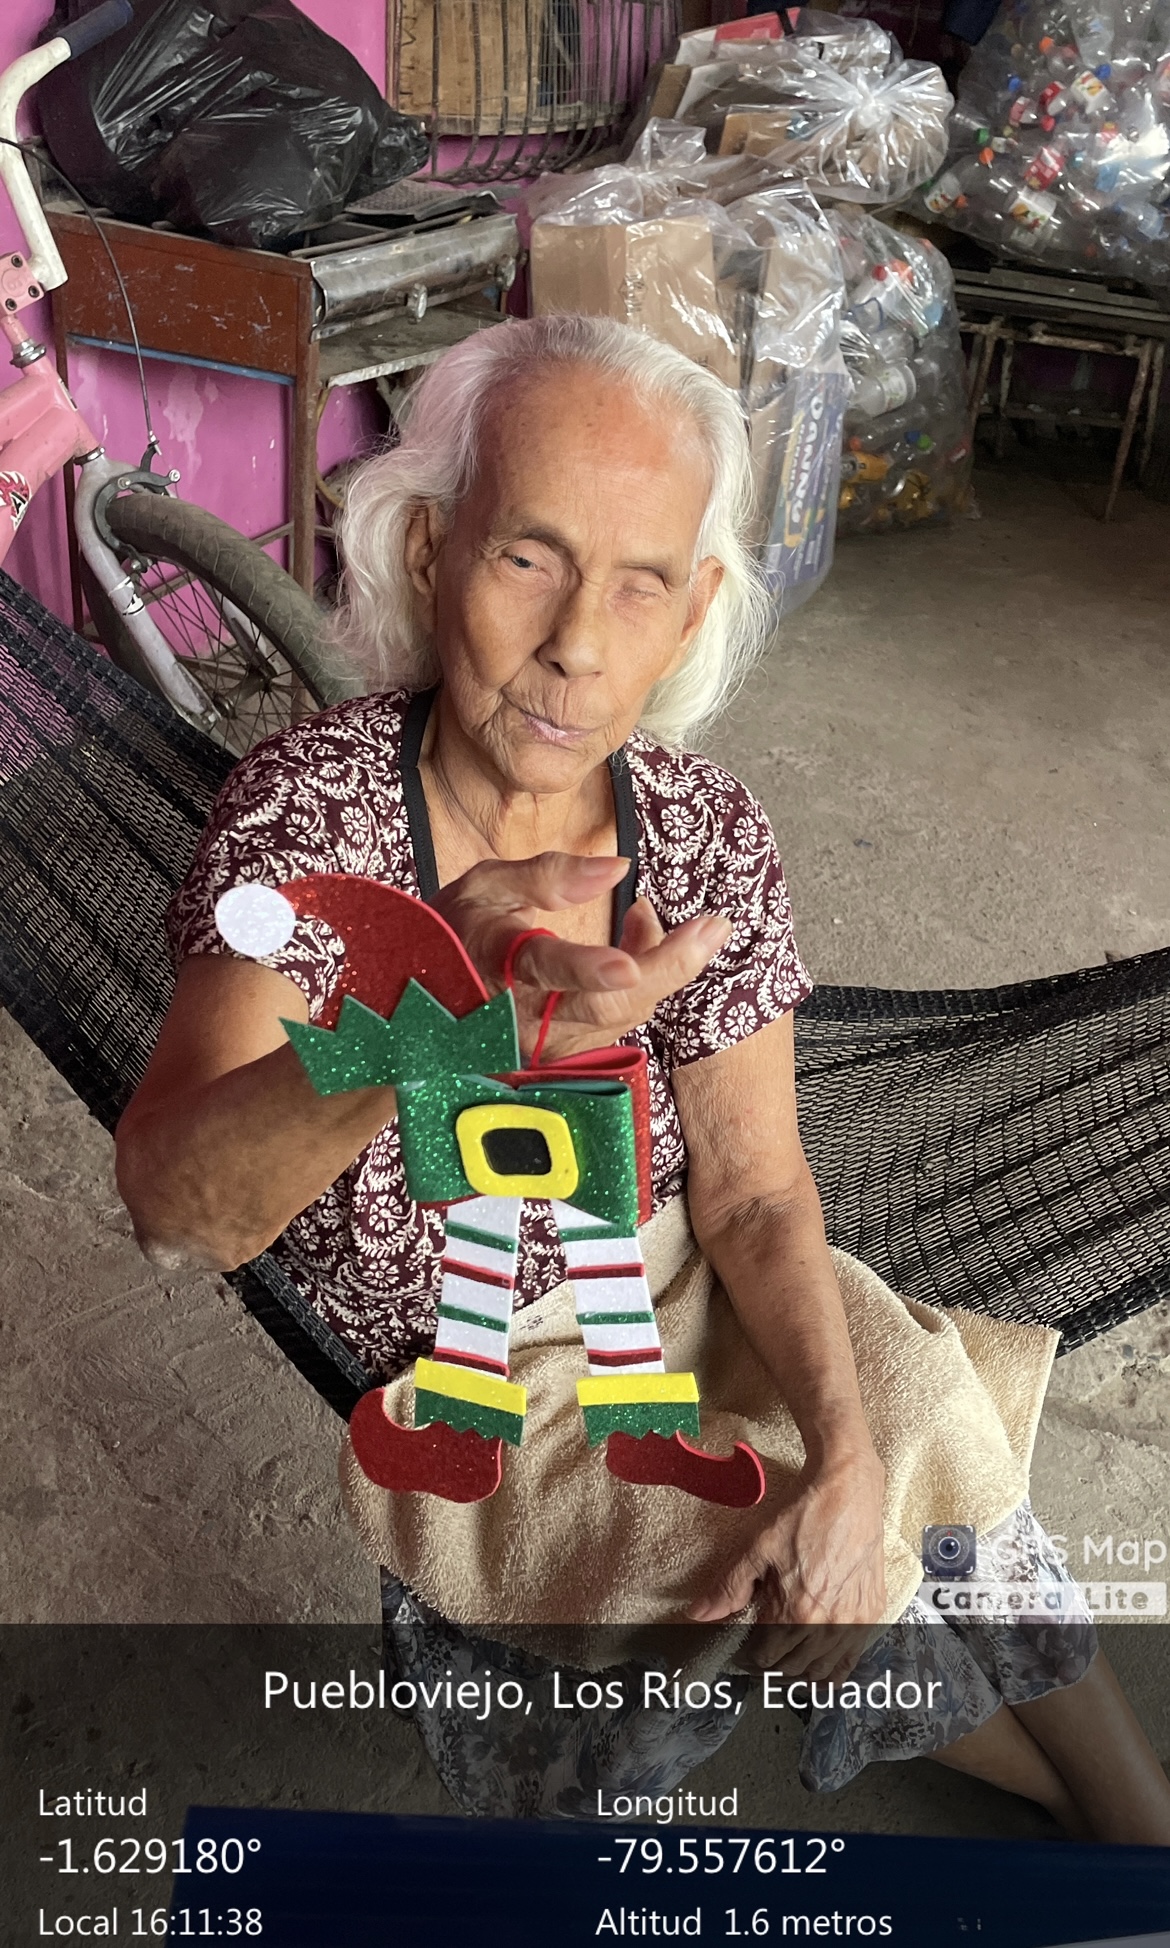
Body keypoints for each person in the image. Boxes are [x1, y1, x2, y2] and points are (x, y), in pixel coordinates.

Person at [115, 314, 1170, 1842]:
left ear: (692, 614)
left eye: (640, 583)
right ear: (428, 550)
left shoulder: (698, 832)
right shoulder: (312, 823)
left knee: (917, 1414)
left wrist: (848, 1463)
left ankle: (1139, 1829)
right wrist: (449, 1014)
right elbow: (179, 1213)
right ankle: (1114, 1825)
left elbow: (751, 1192)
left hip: (679, 1273)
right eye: (526, 557)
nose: (578, 645)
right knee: (743, 1560)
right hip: (474, 1368)